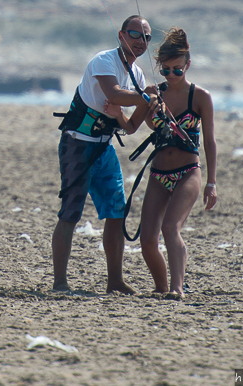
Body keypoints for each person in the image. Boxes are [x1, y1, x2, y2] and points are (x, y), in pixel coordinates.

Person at [51, 15, 159, 294]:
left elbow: (133, 125)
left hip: (104, 146)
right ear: (121, 35)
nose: (141, 41)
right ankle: (60, 282)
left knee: (116, 212)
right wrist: (145, 97)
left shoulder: (137, 76)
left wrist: (152, 105)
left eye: (146, 37)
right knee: (70, 213)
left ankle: (115, 281)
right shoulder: (104, 60)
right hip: (77, 144)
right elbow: (115, 93)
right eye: (135, 34)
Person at [139, 27, 217, 299]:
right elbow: (150, 126)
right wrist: (149, 105)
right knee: (147, 239)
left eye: (177, 70)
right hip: (159, 171)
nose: (171, 76)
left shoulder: (200, 97)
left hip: (188, 172)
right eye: (166, 71)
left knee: (170, 228)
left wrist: (211, 183)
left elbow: (209, 142)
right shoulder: (156, 94)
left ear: (188, 65)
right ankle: (161, 287)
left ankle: (177, 288)